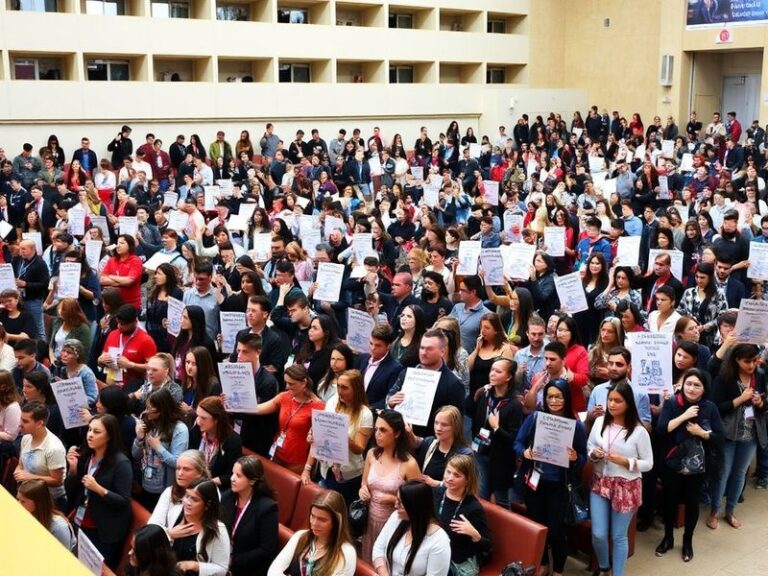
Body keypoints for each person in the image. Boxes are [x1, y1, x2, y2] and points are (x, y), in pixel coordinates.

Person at [515, 379, 587, 576]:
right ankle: (544, 563)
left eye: (559, 396)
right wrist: (525, 453)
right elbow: (518, 443)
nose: (554, 400)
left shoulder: (575, 426)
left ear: (566, 398)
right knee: (539, 527)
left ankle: (558, 570)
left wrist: (575, 458)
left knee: (556, 532)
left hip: (560, 486)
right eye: (550, 396)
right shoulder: (535, 418)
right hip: (535, 483)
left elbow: (583, 457)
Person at [655, 368, 723, 563]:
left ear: (704, 388)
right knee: (670, 501)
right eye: (689, 384)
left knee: (692, 503)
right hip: (671, 463)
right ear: (682, 385)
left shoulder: (710, 407)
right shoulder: (671, 403)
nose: (692, 389)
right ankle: (668, 537)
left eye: (697, 385)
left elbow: (719, 438)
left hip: (698, 465)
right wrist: (684, 416)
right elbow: (661, 429)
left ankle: (687, 541)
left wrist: (701, 433)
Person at [587, 382, 653, 576]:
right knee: (598, 534)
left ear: (628, 404)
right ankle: (604, 567)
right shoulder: (600, 422)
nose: (612, 404)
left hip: (626, 486)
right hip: (600, 481)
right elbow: (590, 444)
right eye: (610, 400)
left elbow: (648, 463)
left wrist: (627, 462)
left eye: (618, 401)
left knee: (618, 536)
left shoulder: (639, 431)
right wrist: (593, 453)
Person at [708, 343, 766, 530]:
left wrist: (760, 402)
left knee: (740, 473)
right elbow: (715, 408)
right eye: (747, 361)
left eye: (755, 361)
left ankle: (730, 510)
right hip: (728, 433)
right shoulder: (724, 378)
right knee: (723, 474)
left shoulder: (759, 375)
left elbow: (765, 404)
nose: (751, 365)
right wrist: (739, 400)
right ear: (736, 360)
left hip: (750, 432)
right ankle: (715, 511)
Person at [65, 413, 133, 570]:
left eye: (96, 432)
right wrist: (73, 471)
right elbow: (75, 489)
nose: (90, 435)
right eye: (89, 430)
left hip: (106, 528)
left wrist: (99, 489)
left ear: (109, 436)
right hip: (84, 519)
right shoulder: (87, 456)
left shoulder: (121, 463)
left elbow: (123, 501)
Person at [303, 369, 373, 505]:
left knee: (338, 512)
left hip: (349, 475)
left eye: (345, 387)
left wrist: (347, 440)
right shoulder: (332, 402)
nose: (340, 391)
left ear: (356, 390)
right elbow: (319, 430)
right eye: (339, 386)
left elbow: (359, 449)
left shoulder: (365, 414)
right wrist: (314, 434)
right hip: (326, 468)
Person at [359, 409, 421, 563]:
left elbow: (419, 503)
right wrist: (363, 490)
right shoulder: (372, 454)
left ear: (397, 433)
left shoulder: (409, 464)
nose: (377, 434)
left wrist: (394, 500)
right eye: (376, 429)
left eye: (383, 430)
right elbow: (364, 483)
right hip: (369, 523)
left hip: (396, 525)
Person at [386, 329, 465, 437]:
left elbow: (455, 424)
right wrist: (390, 402)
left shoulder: (453, 384)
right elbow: (390, 397)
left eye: (429, 349)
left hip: (428, 445)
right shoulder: (406, 374)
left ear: (442, 351)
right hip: (400, 439)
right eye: (422, 348)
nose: (423, 352)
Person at [246, 364, 324, 474]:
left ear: (303, 383)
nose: (287, 386)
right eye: (286, 382)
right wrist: (233, 403)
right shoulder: (284, 397)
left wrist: (307, 469)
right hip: (277, 455)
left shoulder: (318, 406)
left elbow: (316, 442)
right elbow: (258, 408)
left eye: (291, 384)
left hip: (297, 463)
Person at [471, 357, 523, 508]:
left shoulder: (514, 404)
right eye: (492, 370)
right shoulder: (484, 395)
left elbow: (513, 438)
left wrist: (496, 429)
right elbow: (476, 423)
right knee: (481, 496)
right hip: (481, 452)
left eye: (498, 371)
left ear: (508, 377)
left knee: (501, 500)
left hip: (502, 459)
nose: (492, 374)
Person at [267, 490, 357, 576]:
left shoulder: (346, 552)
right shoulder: (301, 536)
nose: (314, 523)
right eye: (313, 516)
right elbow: (273, 571)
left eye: (322, 520)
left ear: (336, 522)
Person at [372, 480, 451, 576]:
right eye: (397, 500)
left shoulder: (439, 540)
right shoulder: (396, 518)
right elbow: (379, 548)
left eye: (401, 503)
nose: (396, 505)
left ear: (414, 507)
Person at [433, 454, 491, 576]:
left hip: (454, 562)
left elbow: (487, 545)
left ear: (467, 480)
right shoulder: (437, 492)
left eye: (456, 475)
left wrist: (474, 534)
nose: (449, 478)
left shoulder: (473, 508)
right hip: (433, 552)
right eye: (448, 472)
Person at [132, 388, 190, 510]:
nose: (147, 412)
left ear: (162, 409)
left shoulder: (179, 429)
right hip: (146, 483)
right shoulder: (149, 423)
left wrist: (158, 447)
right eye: (146, 407)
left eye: (150, 409)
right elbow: (135, 455)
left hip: (166, 489)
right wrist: (139, 439)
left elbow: (177, 462)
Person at [221, 456, 279, 576]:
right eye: (232, 474)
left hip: (247, 569)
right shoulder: (227, 497)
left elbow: (266, 550)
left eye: (238, 475)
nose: (232, 479)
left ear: (252, 481)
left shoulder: (267, 508)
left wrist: (233, 561)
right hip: (221, 559)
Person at [172, 479, 231, 576]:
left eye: (194, 499)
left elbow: (222, 569)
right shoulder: (175, 513)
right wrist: (170, 534)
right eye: (187, 496)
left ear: (207, 505)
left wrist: (193, 565)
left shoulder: (218, 529)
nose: (187, 502)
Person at [14, 401, 67, 509]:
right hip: (29, 495)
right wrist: (18, 470)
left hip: (50, 501)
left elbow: (57, 481)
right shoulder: (26, 438)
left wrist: (31, 477)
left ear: (39, 424)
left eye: (25, 421)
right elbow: (21, 464)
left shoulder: (53, 448)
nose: (20, 424)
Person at [407, 405, 472, 487]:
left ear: (455, 427)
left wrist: (436, 483)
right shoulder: (430, 442)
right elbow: (416, 443)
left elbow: (464, 484)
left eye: (444, 425)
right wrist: (409, 433)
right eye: (436, 423)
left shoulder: (464, 453)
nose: (438, 428)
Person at [148, 449, 211, 533]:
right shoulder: (170, 491)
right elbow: (153, 525)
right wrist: (170, 534)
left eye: (186, 469)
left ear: (200, 472)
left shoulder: (211, 493)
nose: (180, 473)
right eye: (178, 468)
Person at [189, 396, 242, 491]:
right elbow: (190, 456)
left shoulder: (232, 440)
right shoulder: (196, 431)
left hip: (217, 488)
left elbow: (230, 474)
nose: (198, 421)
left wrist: (207, 483)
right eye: (197, 416)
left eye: (203, 418)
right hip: (194, 482)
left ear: (216, 419)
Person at [17, 479, 75, 550]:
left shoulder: (59, 528)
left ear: (38, 503)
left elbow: (64, 557)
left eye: (23, 501)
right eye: (18, 499)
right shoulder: (26, 515)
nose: (18, 504)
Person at [146, 263, 184, 353]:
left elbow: (178, 313)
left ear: (168, 276)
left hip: (167, 337)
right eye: (155, 273)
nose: (156, 276)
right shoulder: (154, 291)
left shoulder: (176, 293)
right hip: (152, 333)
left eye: (159, 274)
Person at [100, 234, 144, 309]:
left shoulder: (136, 261)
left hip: (130, 306)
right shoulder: (112, 260)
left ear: (130, 246)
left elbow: (129, 281)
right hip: (113, 305)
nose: (118, 245)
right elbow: (102, 280)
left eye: (122, 243)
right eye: (117, 243)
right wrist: (121, 282)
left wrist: (110, 276)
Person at [181, 346, 222, 423]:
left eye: (194, 364)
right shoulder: (187, 380)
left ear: (202, 365)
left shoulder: (213, 385)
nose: (189, 367)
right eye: (187, 362)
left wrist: (191, 411)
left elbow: (212, 415)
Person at [53, 339, 98, 405]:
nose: (65, 354)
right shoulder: (61, 368)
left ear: (77, 355)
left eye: (69, 352)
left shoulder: (86, 373)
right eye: (63, 350)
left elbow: (92, 397)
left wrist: (73, 399)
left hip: (82, 409)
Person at [390, 304, 426, 369]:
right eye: (402, 315)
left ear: (417, 320)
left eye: (409, 316)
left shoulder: (422, 344)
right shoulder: (395, 339)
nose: (404, 318)